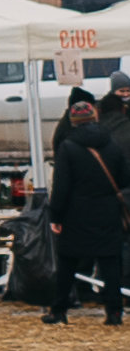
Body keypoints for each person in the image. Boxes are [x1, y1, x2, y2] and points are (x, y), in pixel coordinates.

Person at [47, 83, 126, 328]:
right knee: (110, 262)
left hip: (75, 213)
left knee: (68, 263)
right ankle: (114, 312)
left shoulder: (67, 147)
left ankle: (59, 311)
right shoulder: (111, 144)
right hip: (107, 211)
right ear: (94, 118)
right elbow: (124, 179)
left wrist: (55, 216)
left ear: (73, 121)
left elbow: (61, 187)